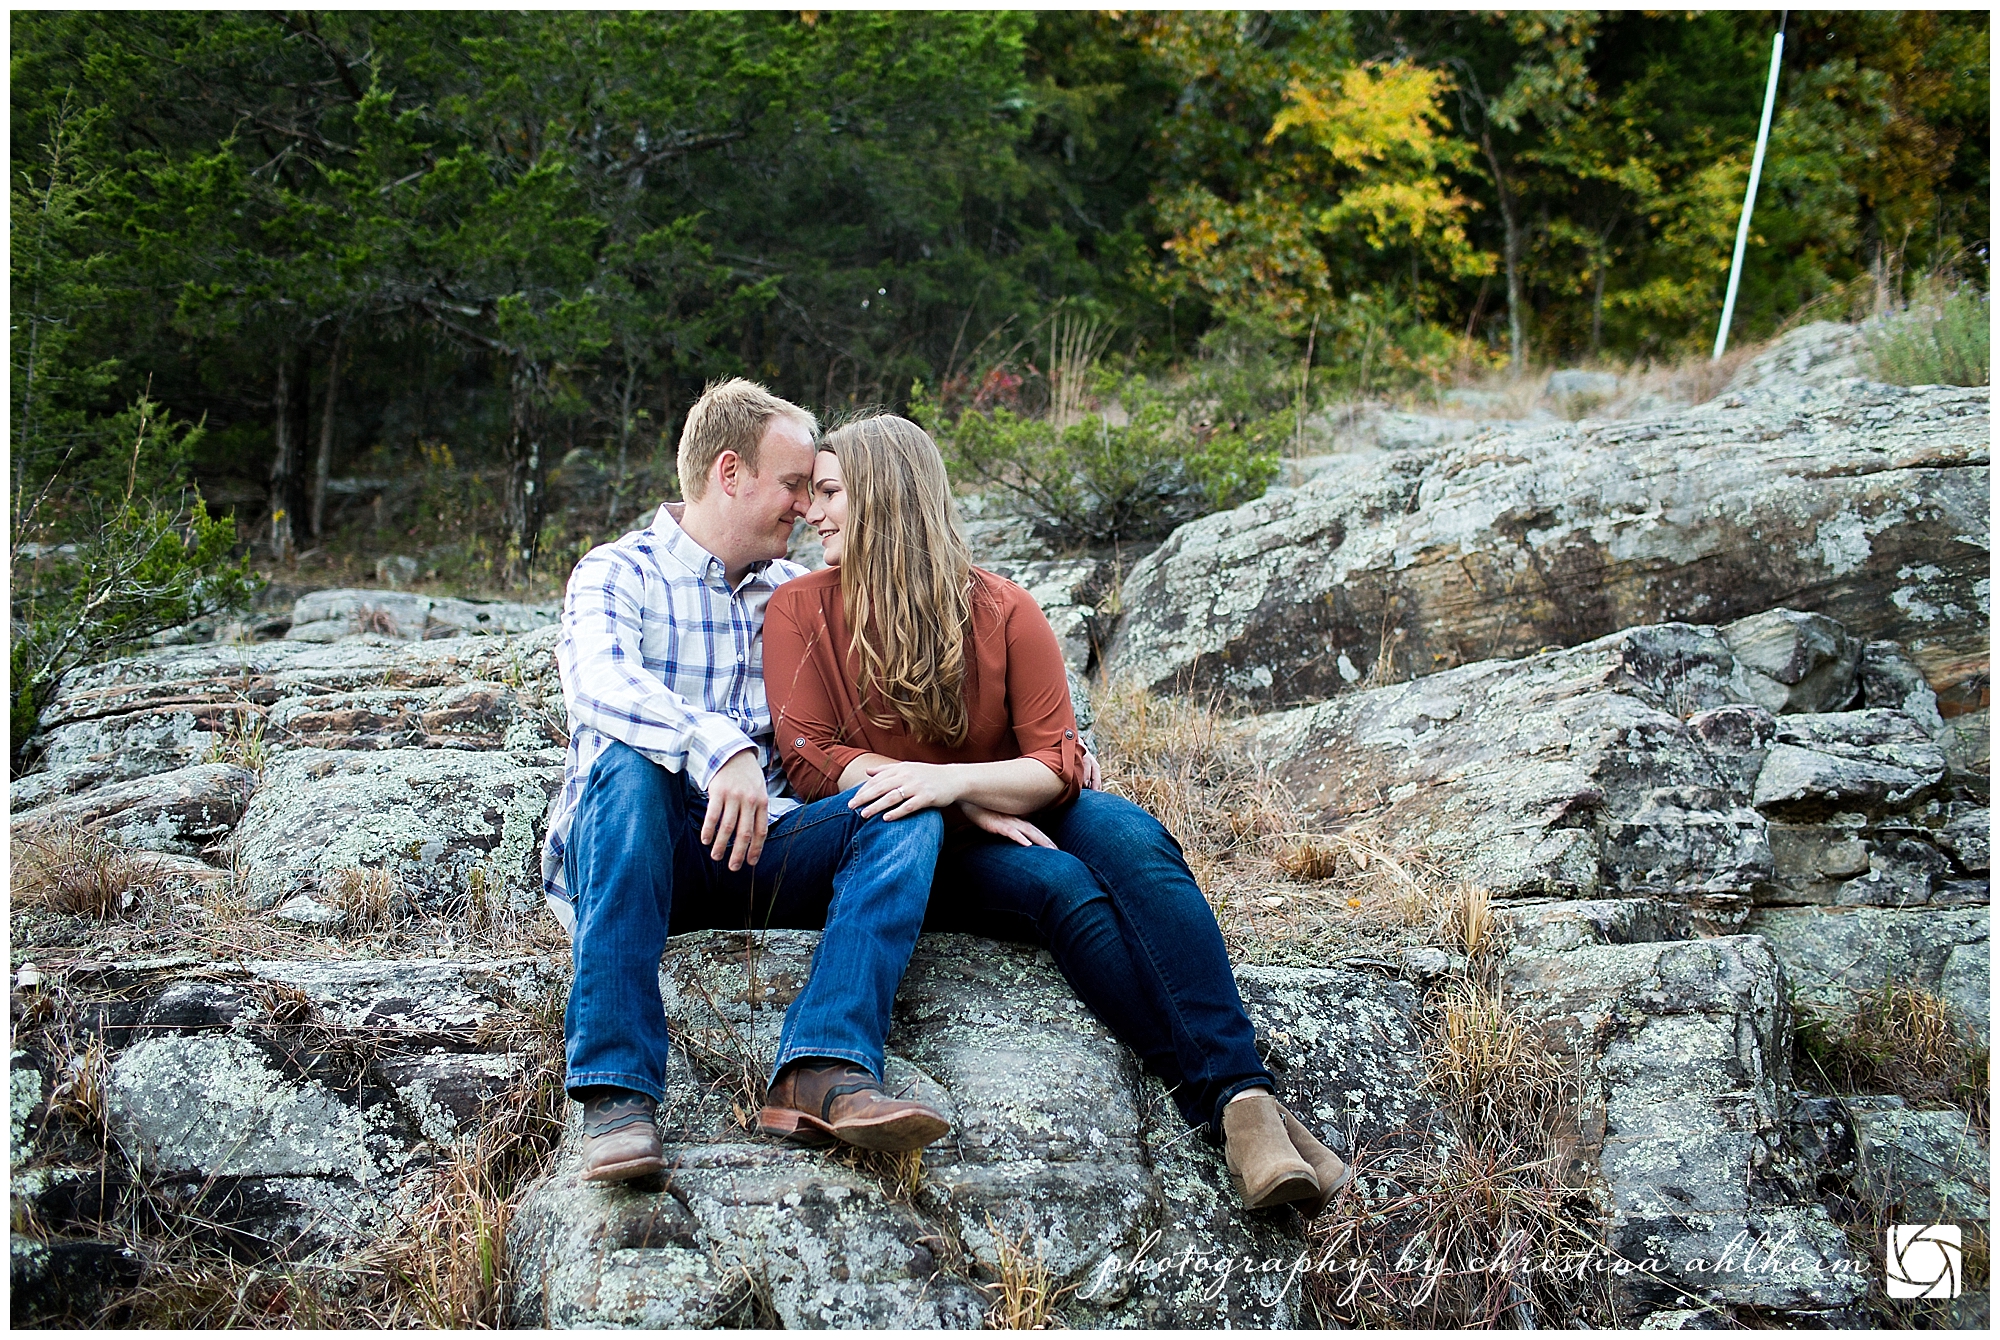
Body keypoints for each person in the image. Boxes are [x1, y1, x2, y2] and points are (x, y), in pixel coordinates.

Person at [761, 414, 1356, 1216]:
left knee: (1131, 837)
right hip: (911, 845)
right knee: (1059, 884)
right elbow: (812, 763)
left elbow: (1058, 764)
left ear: (889, 498)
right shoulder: (800, 610)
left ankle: (1247, 1103)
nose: (812, 512)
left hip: (1008, 804)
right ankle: (1222, 1105)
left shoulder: (1003, 608)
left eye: (830, 492)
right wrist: (959, 797)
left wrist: (958, 784)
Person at [542, 380, 952, 1184]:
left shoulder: (792, 596)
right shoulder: (616, 573)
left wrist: (1011, 773)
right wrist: (716, 746)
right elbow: (601, 687)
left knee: (903, 812)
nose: (806, 507)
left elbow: (893, 682)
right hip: (636, 848)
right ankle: (616, 1094)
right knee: (626, 764)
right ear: (730, 473)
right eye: (795, 484)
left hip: (761, 850)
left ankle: (822, 1067)